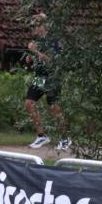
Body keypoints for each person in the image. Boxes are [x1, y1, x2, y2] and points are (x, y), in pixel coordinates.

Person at [23, 16, 69, 150]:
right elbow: (38, 58)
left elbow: (52, 61)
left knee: (54, 107)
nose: (33, 28)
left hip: (52, 77)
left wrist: (35, 52)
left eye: (35, 25)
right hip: (40, 77)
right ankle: (42, 136)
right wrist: (30, 58)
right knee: (29, 104)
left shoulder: (53, 41)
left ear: (43, 26)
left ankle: (65, 139)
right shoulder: (37, 41)